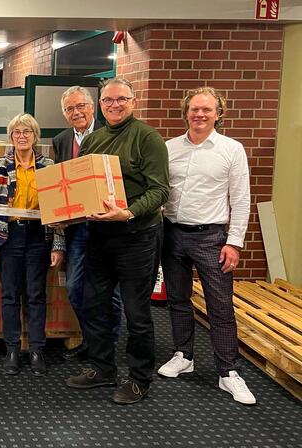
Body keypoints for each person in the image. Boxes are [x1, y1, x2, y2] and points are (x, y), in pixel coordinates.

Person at [65, 78, 169, 405]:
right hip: (99, 235)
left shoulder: (147, 138)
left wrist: (129, 212)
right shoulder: (94, 140)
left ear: (133, 101)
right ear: (101, 105)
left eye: (121, 99)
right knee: (94, 302)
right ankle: (102, 367)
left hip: (137, 236)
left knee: (138, 313)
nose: (114, 105)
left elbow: (160, 190)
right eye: (108, 101)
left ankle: (139, 379)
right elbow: (84, 185)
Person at [158, 87, 255, 404]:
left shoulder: (231, 149)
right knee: (178, 299)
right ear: (186, 112)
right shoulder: (169, 148)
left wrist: (234, 243)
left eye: (206, 110)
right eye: (194, 109)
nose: (200, 114)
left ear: (218, 113)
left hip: (212, 237)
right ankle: (183, 355)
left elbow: (241, 200)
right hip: (172, 233)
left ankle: (229, 372)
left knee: (220, 307)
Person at [0, 114, 65, 376]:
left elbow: (58, 209)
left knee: (36, 294)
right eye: (17, 132)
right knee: (10, 295)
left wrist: (58, 245)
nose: (21, 136)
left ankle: (38, 349)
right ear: (11, 137)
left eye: (27, 132)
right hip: (9, 236)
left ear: (35, 136)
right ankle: (12, 349)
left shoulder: (49, 166)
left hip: (39, 237)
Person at [52, 86, 122, 361]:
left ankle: (109, 342)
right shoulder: (61, 140)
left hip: (108, 224)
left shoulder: (112, 134)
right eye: (70, 108)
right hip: (78, 227)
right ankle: (91, 339)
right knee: (75, 287)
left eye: (81, 106)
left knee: (108, 289)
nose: (76, 112)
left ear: (93, 107)